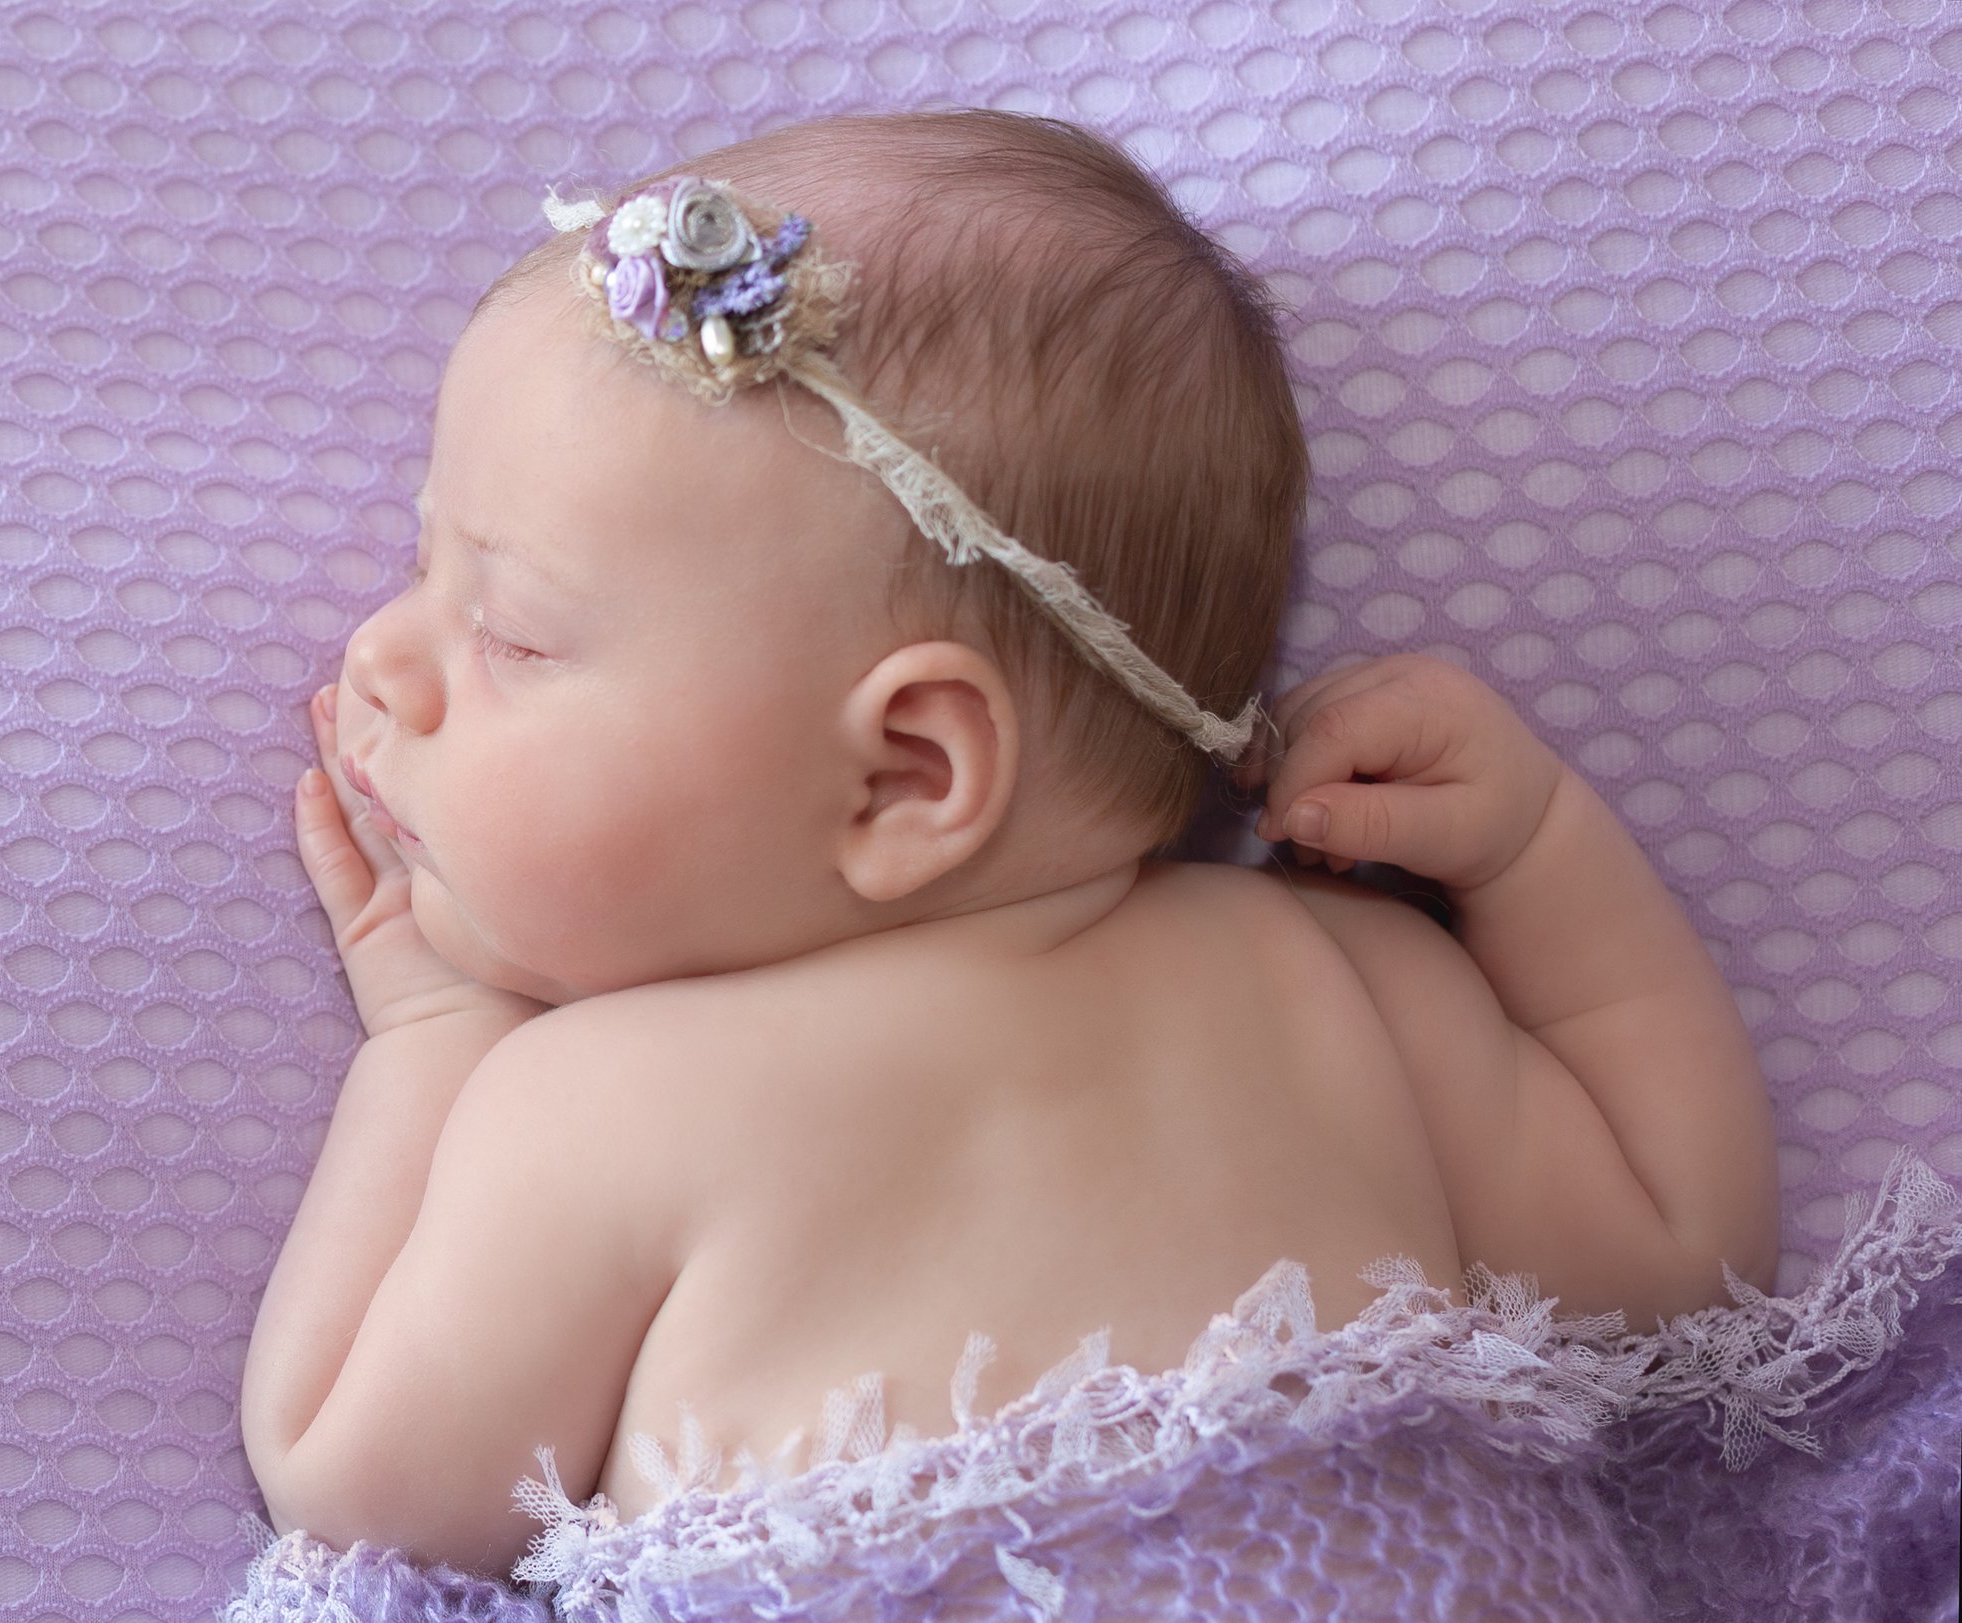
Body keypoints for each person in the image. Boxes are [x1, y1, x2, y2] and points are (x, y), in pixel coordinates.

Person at [233, 107, 1780, 1582]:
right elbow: (1686, 1256)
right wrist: (1538, 853)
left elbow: (357, 1491)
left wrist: (434, 1040)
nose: (382, 651)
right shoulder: (1328, 981)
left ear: (908, 774)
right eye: (427, 563)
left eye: (509, 632)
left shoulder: (587, 1109)